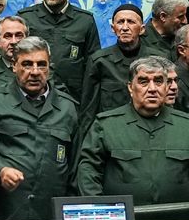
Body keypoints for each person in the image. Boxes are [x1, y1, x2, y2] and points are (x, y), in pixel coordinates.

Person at [0, 37, 79, 220]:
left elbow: (76, 164)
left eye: (41, 65)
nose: (35, 72)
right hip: (5, 209)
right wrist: (0, 169)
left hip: (52, 211)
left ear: (49, 68)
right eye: (27, 64)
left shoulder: (68, 107)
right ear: (14, 66)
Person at [75, 57, 189, 206]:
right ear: (130, 87)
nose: (152, 89)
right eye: (143, 82)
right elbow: (88, 172)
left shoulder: (185, 125)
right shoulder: (107, 125)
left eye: (159, 81)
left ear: (167, 87)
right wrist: (100, 210)